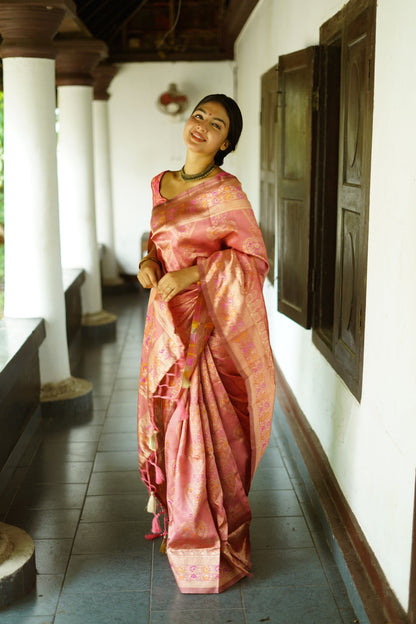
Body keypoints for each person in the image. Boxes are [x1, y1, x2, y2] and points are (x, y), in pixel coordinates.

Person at [137, 94, 275, 594]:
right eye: (199, 115)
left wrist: (195, 272)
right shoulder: (160, 183)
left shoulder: (227, 192)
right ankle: (181, 519)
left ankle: (212, 542)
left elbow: (254, 260)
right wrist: (148, 264)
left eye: (215, 125)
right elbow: (156, 240)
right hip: (165, 324)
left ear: (225, 143)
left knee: (203, 431)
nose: (202, 126)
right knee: (170, 426)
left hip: (208, 328)